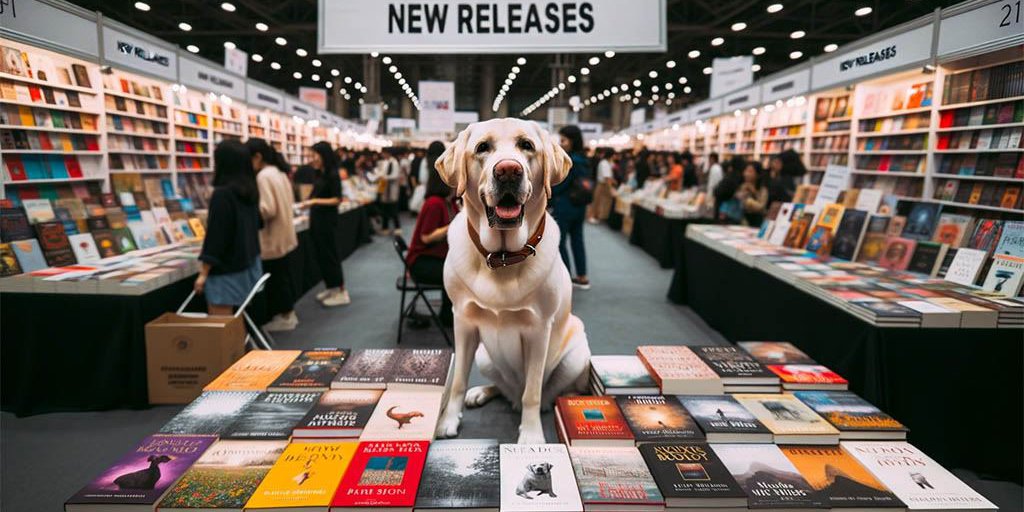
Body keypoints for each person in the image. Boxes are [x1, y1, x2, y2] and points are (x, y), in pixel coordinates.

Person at [194, 140, 262, 316]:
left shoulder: (223, 194)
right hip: (249, 266)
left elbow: (216, 237)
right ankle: (240, 345)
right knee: (235, 321)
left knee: (221, 326)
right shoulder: (249, 191)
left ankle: (234, 345)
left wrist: (204, 273)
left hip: (227, 272)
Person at [247, 138, 299, 332]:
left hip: (272, 236)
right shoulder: (279, 173)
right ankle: (288, 314)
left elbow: (267, 209)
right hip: (284, 234)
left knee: (276, 280)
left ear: (258, 157)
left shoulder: (263, 177)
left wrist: (248, 210)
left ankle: (285, 316)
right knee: (282, 276)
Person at [405, 141, 456, 327]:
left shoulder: (449, 202)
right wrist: (453, 226)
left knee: (458, 270)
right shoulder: (435, 203)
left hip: (432, 257)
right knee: (456, 274)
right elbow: (426, 237)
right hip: (420, 263)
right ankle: (448, 317)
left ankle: (449, 314)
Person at [300, 141, 350, 307]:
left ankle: (340, 291)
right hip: (318, 222)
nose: (312, 159)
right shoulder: (320, 174)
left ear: (324, 155)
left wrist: (314, 201)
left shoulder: (332, 174)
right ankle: (331, 287)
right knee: (322, 255)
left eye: (315, 155)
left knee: (330, 255)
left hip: (327, 222)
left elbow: (337, 199)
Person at [551, 125, 591, 290]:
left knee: (560, 241)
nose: (561, 143)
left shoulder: (570, 161)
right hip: (579, 206)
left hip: (564, 206)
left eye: (563, 140)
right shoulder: (584, 159)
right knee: (577, 240)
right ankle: (582, 276)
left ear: (572, 141)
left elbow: (561, 184)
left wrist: (548, 195)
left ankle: (566, 276)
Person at [376, 149, 403, 234]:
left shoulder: (394, 162)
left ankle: (397, 227)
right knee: (385, 209)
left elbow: (395, 175)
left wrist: (385, 177)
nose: (382, 155)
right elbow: (382, 173)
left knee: (393, 208)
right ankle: (385, 227)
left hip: (391, 189)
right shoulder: (384, 162)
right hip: (384, 188)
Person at [587, 148, 616, 224]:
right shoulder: (605, 163)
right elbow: (607, 178)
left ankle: (596, 216)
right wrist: (610, 189)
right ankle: (592, 216)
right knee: (598, 201)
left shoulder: (605, 162)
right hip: (602, 184)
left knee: (599, 201)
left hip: (602, 183)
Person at [737, 161, 769, 227]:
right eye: (746, 171)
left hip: (758, 223)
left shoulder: (763, 189)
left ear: (758, 174)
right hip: (743, 222)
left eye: (750, 171)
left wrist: (753, 192)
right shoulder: (742, 186)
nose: (746, 174)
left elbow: (761, 207)